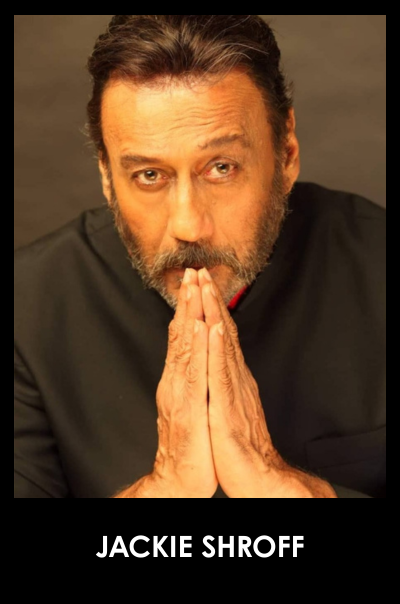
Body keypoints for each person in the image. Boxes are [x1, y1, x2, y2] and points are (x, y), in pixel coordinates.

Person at [14, 15, 386, 498]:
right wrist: (167, 485)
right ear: (106, 176)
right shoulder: (25, 309)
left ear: (286, 152)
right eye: (149, 175)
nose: (188, 226)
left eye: (221, 168)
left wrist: (278, 486)